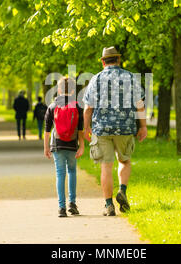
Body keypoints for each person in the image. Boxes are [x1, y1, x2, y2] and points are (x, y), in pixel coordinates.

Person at [83, 46, 147, 216]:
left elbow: (88, 108)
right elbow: (140, 105)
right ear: (118, 60)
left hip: (102, 129)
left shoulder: (95, 79)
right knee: (124, 161)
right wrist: (143, 126)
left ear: (103, 61)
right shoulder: (130, 77)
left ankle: (109, 205)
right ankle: (123, 191)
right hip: (125, 128)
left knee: (106, 166)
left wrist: (86, 128)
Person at [44, 77, 84, 217]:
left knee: (60, 174)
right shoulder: (77, 106)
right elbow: (80, 130)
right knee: (72, 172)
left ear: (59, 89)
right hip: (72, 145)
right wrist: (82, 146)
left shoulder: (52, 106)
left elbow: (47, 130)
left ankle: (61, 208)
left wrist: (46, 147)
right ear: (73, 90)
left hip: (57, 145)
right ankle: (72, 203)